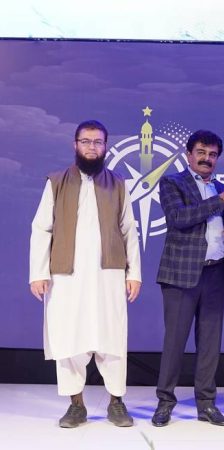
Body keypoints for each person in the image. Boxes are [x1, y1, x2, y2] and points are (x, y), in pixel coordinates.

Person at [29, 120, 142, 428]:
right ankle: (75, 405)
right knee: (70, 340)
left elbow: (129, 230)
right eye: (86, 141)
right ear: (75, 144)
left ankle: (116, 402)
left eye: (98, 142)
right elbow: (41, 229)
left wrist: (134, 274)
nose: (92, 147)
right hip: (66, 277)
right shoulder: (56, 182)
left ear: (105, 146)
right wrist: (37, 272)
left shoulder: (118, 184)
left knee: (112, 339)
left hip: (109, 275)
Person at [151, 129, 224, 427]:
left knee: (210, 344)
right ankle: (165, 402)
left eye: (213, 154)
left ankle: (206, 404)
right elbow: (179, 218)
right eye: (201, 152)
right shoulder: (172, 182)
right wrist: (220, 200)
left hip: (216, 272)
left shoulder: (221, 188)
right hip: (181, 274)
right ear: (189, 155)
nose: (207, 159)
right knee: (175, 342)